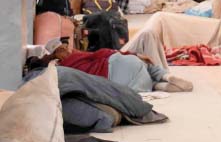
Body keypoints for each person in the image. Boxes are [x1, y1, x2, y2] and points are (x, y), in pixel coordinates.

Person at [46, 42, 192, 93]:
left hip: (120, 84)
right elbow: (103, 53)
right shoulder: (76, 56)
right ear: (61, 53)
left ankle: (160, 86)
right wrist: (133, 54)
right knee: (147, 68)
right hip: (121, 64)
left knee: (147, 82)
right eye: (65, 48)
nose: (69, 49)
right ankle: (167, 76)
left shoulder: (62, 70)